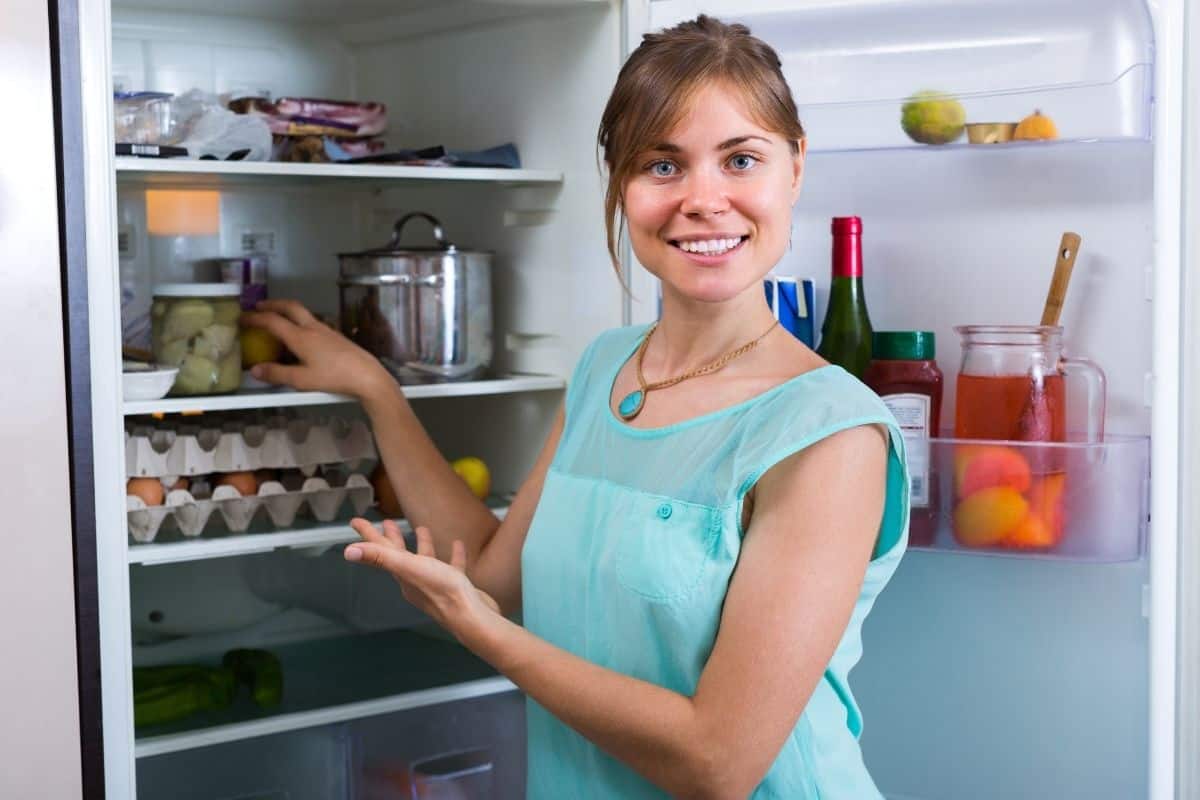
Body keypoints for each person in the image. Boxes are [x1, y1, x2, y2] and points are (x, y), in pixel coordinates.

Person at [242, 15, 908, 799]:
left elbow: (718, 763)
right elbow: (493, 578)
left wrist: (488, 637)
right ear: (620, 184)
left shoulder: (826, 433)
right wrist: (376, 390)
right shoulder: (607, 370)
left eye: (741, 159)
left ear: (794, 169)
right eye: (662, 165)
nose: (703, 199)